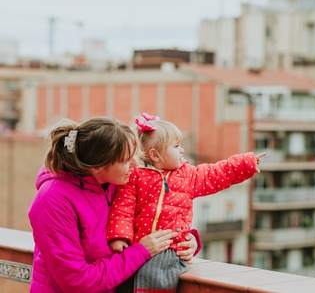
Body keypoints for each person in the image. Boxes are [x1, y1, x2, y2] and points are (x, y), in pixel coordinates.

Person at [28, 117, 201, 293]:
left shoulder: (117, 182)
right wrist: (141, 252)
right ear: (98, 167)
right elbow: (77, 282)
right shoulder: (52, 201)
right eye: (126, 160)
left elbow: (151, 217)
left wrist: (184, 242)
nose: (135, 164)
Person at [107, 113, 266, 293]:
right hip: (139, 246)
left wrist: (246, 164)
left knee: (157, 277)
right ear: (155, 155)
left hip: (170, 249)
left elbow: (216, 173)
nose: (182, 150)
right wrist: (119, 237)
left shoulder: (187, 176)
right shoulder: (134, 176)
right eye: (176, 146)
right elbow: (123, 208)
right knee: (127, 281)